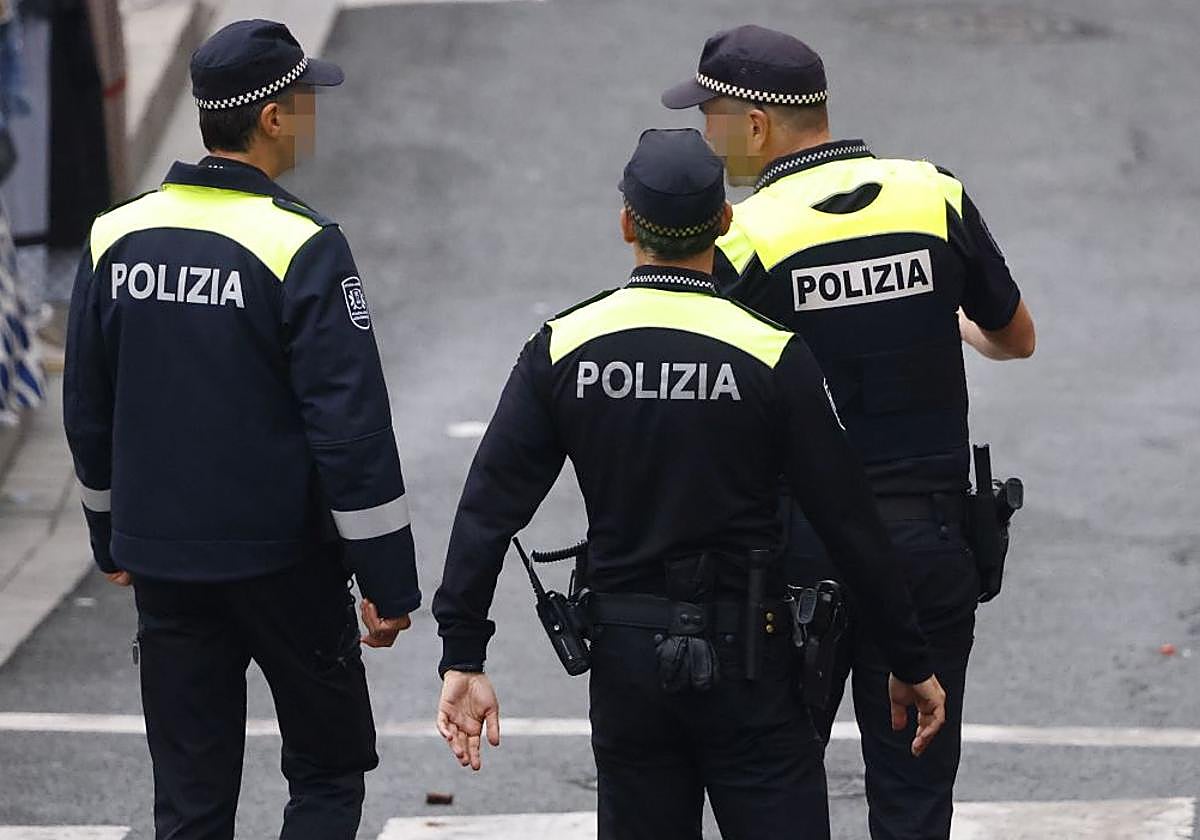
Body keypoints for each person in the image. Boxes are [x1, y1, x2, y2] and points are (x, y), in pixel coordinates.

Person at [431, 128, 946, 840]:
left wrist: (463, 650)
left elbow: (489, 506)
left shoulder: (563, 346)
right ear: (726, 222)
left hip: (626, 666)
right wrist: (909, 659)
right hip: (752, 665)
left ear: (625, 225)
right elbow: (849, 522)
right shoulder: (772, 353)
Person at [662, 25, 1037, 840]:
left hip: (801, 559)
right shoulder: (931, 194)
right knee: (914, 792)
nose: (705, 134)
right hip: (931, 544)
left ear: (755, 125)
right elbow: (1018, 336)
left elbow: (718, 404)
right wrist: (957, 325)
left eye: (711, 114)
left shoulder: (747, 237)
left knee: (780, 787)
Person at [62, 19, 420, 840]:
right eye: (306, 101)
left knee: (190, 797)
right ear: (271, 119)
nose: (314, 116)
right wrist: (388, 583)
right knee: (327, 773)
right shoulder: (303, 245)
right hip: (284, 566)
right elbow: (350, 430)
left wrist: (109, 536)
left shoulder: (116, 236)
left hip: (166, 566)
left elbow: (88, 407)